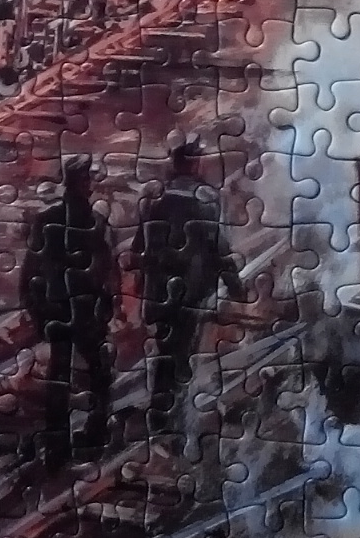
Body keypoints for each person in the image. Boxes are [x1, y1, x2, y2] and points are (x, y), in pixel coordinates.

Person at [133, 137, 247, 435]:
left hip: (159, 294)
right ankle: (175, 423)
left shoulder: (155, 200)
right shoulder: (205, 199)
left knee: (165, 352)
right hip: (191, 293)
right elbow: (219, 249)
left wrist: (145, 281)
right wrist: (236, 288)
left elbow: (138, 250)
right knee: (182, 356)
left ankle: (159, 415)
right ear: (193, 164)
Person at [22, 154, 118, 466]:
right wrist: (109, 304)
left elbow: (30, 270)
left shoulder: (47, 220)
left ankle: (58, 448)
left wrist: (36, 309)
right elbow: (107, 270)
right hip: (84, 310)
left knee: (60, 377)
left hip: (59, 309)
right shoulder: (95, 222)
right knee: (99, 373)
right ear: (80, 182)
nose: (90, 184)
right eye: (87, 178)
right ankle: (95, 435)